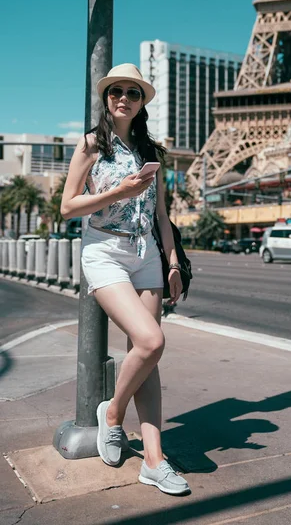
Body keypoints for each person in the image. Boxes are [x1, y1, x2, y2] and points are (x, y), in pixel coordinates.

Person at [61, 64, 190, 495]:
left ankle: (154, 460)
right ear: (106, 97)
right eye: (116, 91)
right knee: (152, 341)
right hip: (105, 252)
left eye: (132, 93)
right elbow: (67, 207)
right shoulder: (92, 143)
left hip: (146, 254)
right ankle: (112, 413)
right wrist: (119, 192)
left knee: (145, 354)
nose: (123, 98)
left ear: (141, 103)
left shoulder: (151, 149)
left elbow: (161, 216)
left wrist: (172, 263)